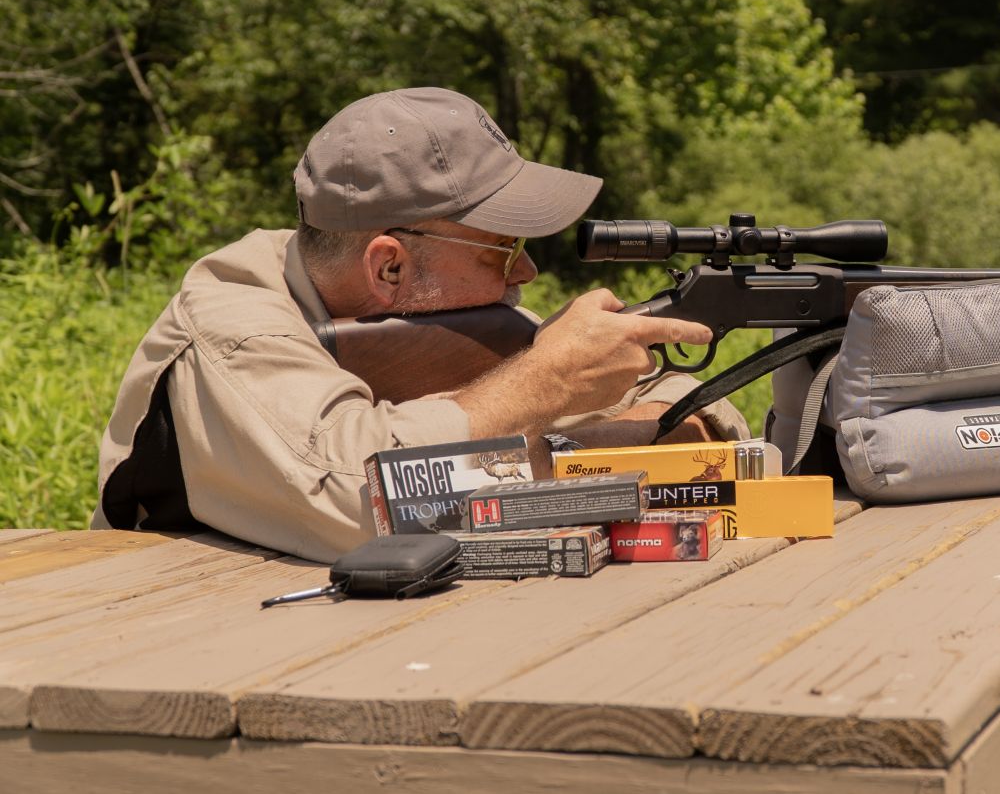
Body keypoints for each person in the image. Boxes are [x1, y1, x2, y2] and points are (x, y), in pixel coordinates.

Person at [92, 87, 748, 562]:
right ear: (389, 268)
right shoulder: (234, 323)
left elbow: (699, 428)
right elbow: (365, 500)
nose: (527, 276)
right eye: (505, 249)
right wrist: (544, 388)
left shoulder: (451, 319)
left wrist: (570, 431)